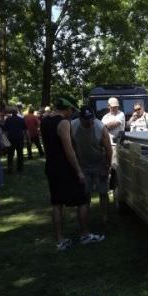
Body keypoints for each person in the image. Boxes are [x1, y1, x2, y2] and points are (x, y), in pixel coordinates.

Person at [40, 95, 104, 250]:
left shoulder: (44, 121)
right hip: (65, 167)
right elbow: (69, 150)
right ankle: (85, 235)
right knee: (82, 201)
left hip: (51, 166)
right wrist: (79, 171)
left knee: (57, 204)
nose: (72, 114)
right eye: (71, 110)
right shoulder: (63, 123)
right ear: (67, 109)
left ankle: (60, 240)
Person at [72, 106, 113, 224]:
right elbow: (72, 146)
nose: (89, 123)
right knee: (85, 193)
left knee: (103, 192)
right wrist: (76, 165)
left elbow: (109, 149)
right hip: (83, 164)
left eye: (91, 120)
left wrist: (108, 165)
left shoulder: (101, 127)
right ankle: (85, 216)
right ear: (80, 119)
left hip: (99, 163)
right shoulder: (72, 126)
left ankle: (104, 216)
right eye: (86, 121)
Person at [3, 108, 27, 173]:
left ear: (11, 113)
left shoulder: (8, 120)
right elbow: (25, 130)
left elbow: (5, 131)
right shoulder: (21, 119)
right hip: (19, 138)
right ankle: (20, 168)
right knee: (20, 154)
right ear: (16, 113)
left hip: (11, 138)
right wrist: (25, 138)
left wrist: (5, 140)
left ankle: (10, 168)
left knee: (10, 154)